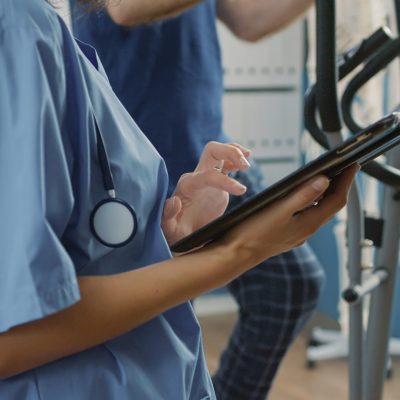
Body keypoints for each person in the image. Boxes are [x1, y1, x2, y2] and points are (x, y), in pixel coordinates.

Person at [0, 0, 357, 399]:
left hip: (191, 142)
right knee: (288, 282)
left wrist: (161, 246)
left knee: (289, 283)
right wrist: (237, 252)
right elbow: (14, 330)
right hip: (154, 140)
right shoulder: (17, 28)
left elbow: (248, 20)